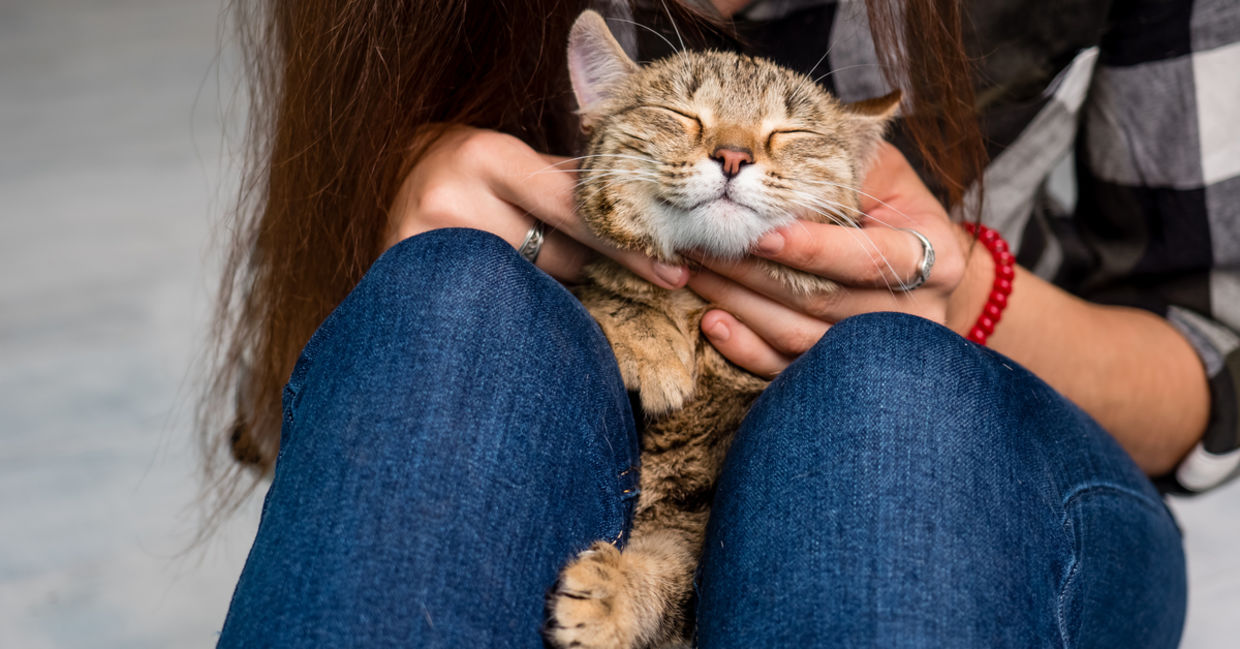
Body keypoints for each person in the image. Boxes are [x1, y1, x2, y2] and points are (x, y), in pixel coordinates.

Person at [205, 0, 1239, 646]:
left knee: (883, 392)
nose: (737, 157)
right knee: (452, 300)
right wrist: (400, 184)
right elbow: (298, 389)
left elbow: (1205, 352)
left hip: (1004, 488)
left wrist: (961, 300)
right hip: (575, 455)